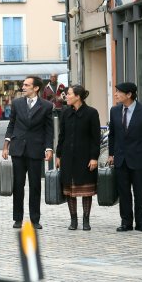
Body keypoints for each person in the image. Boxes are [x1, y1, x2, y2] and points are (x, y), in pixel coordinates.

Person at [2, 75, 54, 229]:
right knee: (18, 185)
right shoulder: (17, 103)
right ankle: (18, 218)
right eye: (23, 85)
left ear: (36, 88)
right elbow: (11, 125)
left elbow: (49, 130)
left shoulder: (46, 106)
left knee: (35, 186)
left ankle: (35, 220)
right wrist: (6, 145)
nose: (23, 87)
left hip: (35, 149)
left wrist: (49, 148)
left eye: (26, 85)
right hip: (17, 149)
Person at [108, 82, 142, 233]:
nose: (116, 94)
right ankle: (126, 222)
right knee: (123, 192)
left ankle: (141, 223)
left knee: (140, 192)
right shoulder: (114, 111)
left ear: (129, 94)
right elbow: (112, 135)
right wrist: (111, 154)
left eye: (119, 92)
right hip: (120, 159)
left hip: (139, 159)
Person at [56, 85, 101, 231]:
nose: (66, 96)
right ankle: (73, 220)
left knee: (86, 190)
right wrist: (58, 155)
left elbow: (95, 138)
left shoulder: (91, 113)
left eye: (69, 94)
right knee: (70, 190)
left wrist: (94, 157)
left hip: (85, 158)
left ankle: (86, 220)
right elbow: (61, 136)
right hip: (67, 157)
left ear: (78, 96)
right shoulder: (65, 112)